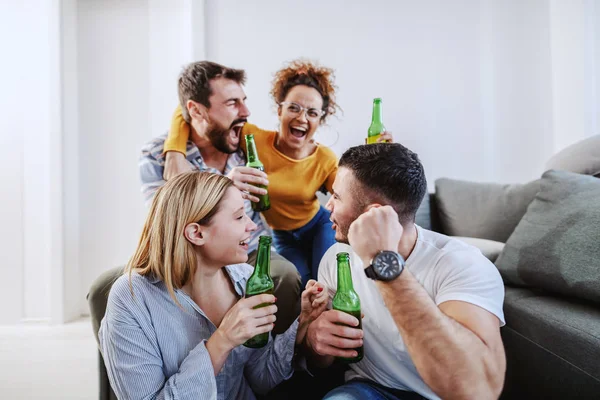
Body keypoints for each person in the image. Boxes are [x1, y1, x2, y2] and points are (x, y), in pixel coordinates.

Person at [162, 59, 393, 288]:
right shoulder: (254, 139)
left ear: (319, 120)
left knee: (326, 280)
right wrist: (174, 151)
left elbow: (355, 191)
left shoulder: (325, 159)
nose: (302, 118)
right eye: (294, 108)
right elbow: (188, 111)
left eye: (312, 112)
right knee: (297, 283)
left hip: (317, 225)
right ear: (280, 110)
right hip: (281, 236)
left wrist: (378, 156)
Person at [99, 171, 328, 399]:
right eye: (239, 217)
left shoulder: (246, 279)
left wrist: (301, 326)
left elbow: (261, 379)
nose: (252, 226)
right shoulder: (131, 299)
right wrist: (223, 340)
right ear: (196, 233)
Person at [304, 143, 507, 400]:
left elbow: (478, 390)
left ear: (374, 215)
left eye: (337, 196)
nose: (327, 207)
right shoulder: (335, 258)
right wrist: (313, 339)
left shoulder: (462, 265)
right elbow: (322, 362)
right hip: (367, 389)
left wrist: (383, 262)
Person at [139, 61, 301, 334]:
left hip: (247, 251)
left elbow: (303, 147)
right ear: (196, 110)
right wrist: (223, 187)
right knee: (104, 290)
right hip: (187, 257)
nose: (245, 112)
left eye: (244, 101)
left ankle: (276, 368)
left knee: (283, 275)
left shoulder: (249, 144)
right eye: (231, 103)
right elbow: (164, 225)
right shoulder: (159, 154)